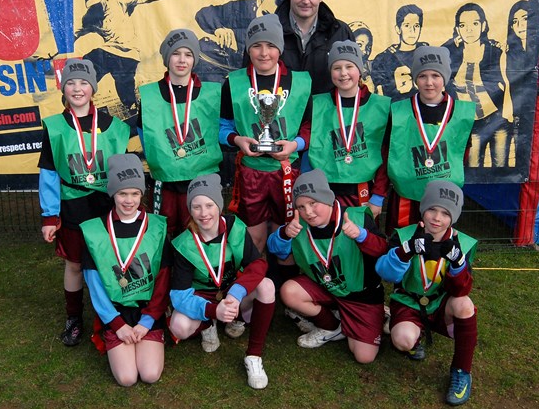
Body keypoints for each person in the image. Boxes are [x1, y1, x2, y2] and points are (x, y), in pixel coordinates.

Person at [38, 58, 130, 346]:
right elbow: (50, 173)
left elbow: (124, 172)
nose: (77, 88)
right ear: (63, 88)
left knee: (110, 262)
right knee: (75, 264)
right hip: (73, 204)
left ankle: (114, 316)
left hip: (107, 205)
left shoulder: (114, 127)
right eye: (71, 83)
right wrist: (50, 215)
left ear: (93, 87)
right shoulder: (54, 127)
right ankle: (74, 318)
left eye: (83, 82)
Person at [267, 169, 388, 363]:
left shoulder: (356, 217)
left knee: (364, 356)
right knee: (289, 291)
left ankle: (376, 314)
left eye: (313, 203)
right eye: (301, 206)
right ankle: (331, 326)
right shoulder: (298, 225)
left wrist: (361, 236)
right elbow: (275, 249)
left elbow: (384, 251)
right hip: (326, 287)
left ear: (328, 198)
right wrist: (284, 234)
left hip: (362, 295)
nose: (308, 212)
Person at [376, 180, 478, 406]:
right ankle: (412, 336)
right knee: (402, 340)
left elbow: (460, 290)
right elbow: (386, 273)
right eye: (432, 209)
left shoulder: (463, 243)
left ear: (454, 217)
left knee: (465, 304)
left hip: (441, 304)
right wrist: (407, 250)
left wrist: (458, 263)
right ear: (423, 208)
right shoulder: (404, 235)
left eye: (445, 213)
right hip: (408, 301)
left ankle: (462, 371)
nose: (437, 218)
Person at [169, 174, 276, 389]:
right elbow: (179, 296)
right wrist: (212, 311)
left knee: (267, 285)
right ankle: (209, 324)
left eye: (209, 205)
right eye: (196, 207)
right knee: (178, 326)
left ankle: (253, 356)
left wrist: (236, 293)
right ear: (190, 209)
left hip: (232, 291)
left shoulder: (235, 227)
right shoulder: (183, 244)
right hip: (203, 298)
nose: (204, 213)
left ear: (219, 205)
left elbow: (258, 264)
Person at [219, 13, 312, 255]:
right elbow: (222, 127)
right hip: (251, 173)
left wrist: (296, 145)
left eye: (270, 45)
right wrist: (236, 140)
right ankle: (255, 284)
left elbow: (311, 128)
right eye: (256, 45)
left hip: (287, 171)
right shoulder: (234, 82)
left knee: (287, 235)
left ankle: (283, 286)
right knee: (255, 238)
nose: (263, 52)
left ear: (280, 48)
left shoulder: (300, 82)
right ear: (248, 49)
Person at [80, 153, 171, 386]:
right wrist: (117, 325)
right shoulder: (94, 231)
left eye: (134, 193)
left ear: (142, 193)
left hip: (148, 312)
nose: (128, 200)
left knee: (150, 374)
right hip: (116, 313)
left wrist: (148, 321)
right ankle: (115, 334)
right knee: (127, 378)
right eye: (122, 193)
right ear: (112, 194)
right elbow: (94, 283)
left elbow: (163, 280)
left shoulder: (158, 227)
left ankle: (150, 335)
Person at [138, 29, 222, 237]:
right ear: (167, 58)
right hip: (165, 182)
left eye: (188, 54)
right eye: (176, 54)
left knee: (202, 234)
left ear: (195, 59)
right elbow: (144, 135)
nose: (182, 60)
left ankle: (200, 270)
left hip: (202, 180)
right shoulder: (150, 95)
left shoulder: (213, 94)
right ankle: (166, 270)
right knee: (163, 234)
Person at [385, 46, 475, 235]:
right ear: (415, 78)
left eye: (436, 75)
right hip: (406, 196)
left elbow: (462, 154)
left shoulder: (461, 113)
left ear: (445, 78)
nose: (429, 82)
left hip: (442, 199)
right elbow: (388, 152)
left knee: (437, 246)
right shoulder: (399, 112)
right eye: (422, 76)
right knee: (403, 243)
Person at [307, 40, 390, 219]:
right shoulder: (316, 104)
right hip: (323, 191)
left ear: (360, 69)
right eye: (337, 67)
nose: (343, 73)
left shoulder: (382, 107)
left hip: (362, 192)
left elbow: (386, 155)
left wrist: (378, 197)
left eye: (349, 66)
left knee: (360, 240)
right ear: (330, 72)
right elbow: (308, 148)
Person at [443, 2, 512, 168]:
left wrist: (507, 114)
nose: (469, 29)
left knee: (500, 167)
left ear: (483, 26)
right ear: (457, 29)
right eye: (462, 25)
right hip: (469, 122)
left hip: (497, 118)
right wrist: (451, 44)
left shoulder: (495, 51)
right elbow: (438, 59)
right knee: (472, 168)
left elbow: (510, 80)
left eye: (474, 23)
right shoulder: (451, 53)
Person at [269, 0, 355, 94]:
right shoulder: (268, 32)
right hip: (279, 112)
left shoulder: (341, 32)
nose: (306, 0)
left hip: (326, 113)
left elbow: (353, 84)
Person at [194, 0, 286, 83]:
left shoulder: (287, 17)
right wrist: (218, 28)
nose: (266, 21)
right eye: (264, 13)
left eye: (272, 17)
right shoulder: (241, 8)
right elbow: (204, 14)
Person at [372, 4, 428, 102]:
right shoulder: (384, 58)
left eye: (416, 26)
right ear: (398, 29)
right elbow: (379, 96)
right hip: (396, 112)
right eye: (407, 25)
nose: (412, 31)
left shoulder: (427, 54)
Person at [505, 0, 533, 168]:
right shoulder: (510, 52)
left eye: (525, 18)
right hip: (516, 112)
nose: (520, 25)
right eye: (515, 21)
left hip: (537, 112)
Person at [348, 21, 375, 92]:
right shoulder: (339, 69)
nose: (365, 51)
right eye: (359, 45)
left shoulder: (373, 67)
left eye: (368, 47)